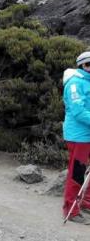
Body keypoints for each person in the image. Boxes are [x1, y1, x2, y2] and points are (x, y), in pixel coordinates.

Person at [62, 51, 90, 224]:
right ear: (83, 65)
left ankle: (86, 202)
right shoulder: (74, 84)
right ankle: (70, 210)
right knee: (77, 172)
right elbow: (79, 112)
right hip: (78, 136)